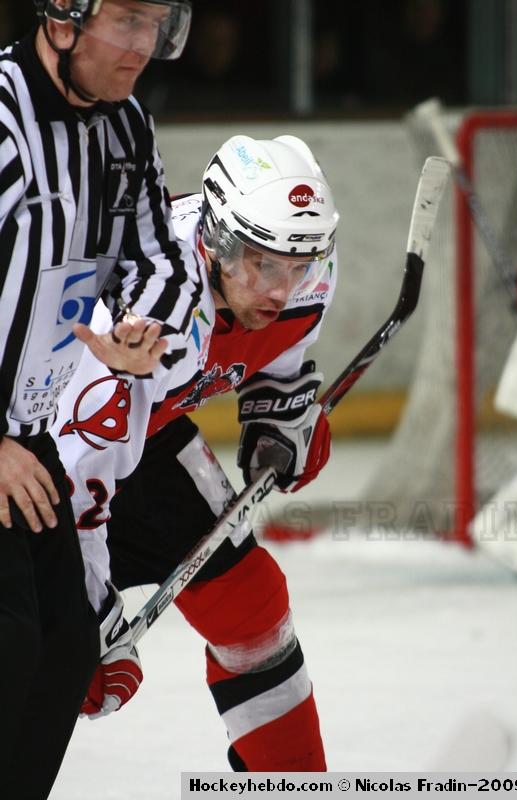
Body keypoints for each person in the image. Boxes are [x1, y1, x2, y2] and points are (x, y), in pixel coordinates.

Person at [52, 133, 339, 770]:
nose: (282, 290)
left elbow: (276, 354)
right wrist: (82, 611)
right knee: (32, 647)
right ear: (215, 245)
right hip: (44, 450)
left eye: (298, 266)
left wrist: (280, 407)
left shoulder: (307, 274)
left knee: (251, 605)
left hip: (143, 433)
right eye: (263, 265)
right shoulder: (151, 315)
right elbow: (77, 469)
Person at [0, 0, 196, 796]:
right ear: (63, 16)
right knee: (10, 642)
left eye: (157, 24)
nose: (143, 46)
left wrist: (143, 326)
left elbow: (160, 257)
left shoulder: (124, 128)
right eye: (126, 20)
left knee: (66, 646)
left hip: (27, 436)